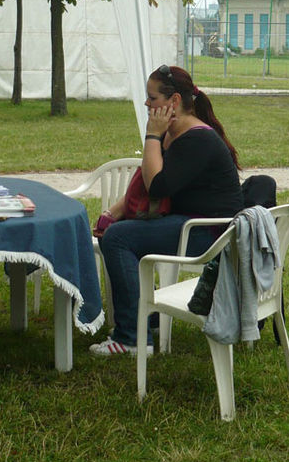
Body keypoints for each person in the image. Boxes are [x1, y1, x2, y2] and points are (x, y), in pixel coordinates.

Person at [90, 64, 242, 356]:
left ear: (174, 101)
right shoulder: (177, 133)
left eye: (153, 98)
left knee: (119, 239)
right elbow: (146, 183)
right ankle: (147, 318)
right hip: (193, 224)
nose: (147, 104)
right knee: (118, 231)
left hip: (210, 235)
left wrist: (152, 135)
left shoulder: (197, 139)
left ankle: (132, 338)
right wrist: (113, 212)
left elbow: (157, 186)